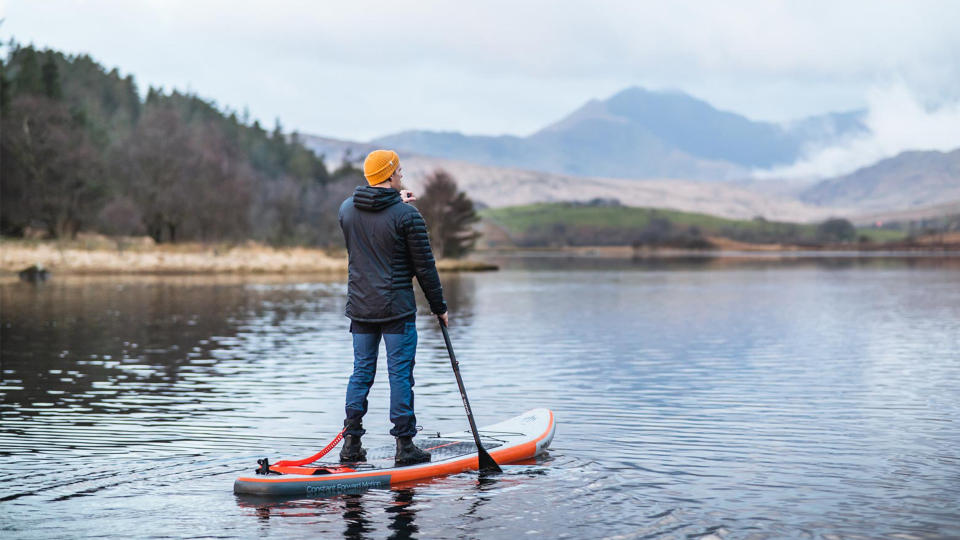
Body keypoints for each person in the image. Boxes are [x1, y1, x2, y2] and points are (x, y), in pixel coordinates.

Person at [337, 149, 449, 466]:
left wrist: (395, 200)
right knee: (400, 376)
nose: (402, 174)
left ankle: (351, 445)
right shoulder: (407, 216)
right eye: (399, 170)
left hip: (360, 307)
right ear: (389, 174)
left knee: (361, 374)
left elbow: (371, 225)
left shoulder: (346, 209)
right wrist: (438, 306)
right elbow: (425, 268)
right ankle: (404, 446)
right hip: (397, 309)